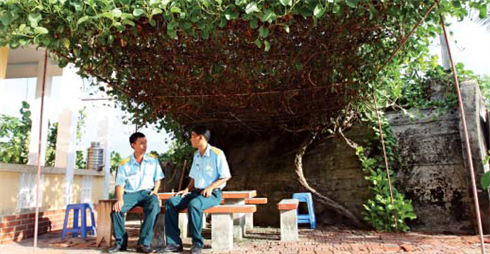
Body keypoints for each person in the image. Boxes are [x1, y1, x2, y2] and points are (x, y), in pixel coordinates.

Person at [163, 126, 231, 254]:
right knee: (171, 202)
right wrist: (186, 189)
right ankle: (174, 244)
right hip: (195, 192)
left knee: (194, 205)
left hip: (213, 193)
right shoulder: (196, 155)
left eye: (192, 135)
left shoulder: (217, 154)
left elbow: (226, 176)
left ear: (201, 137)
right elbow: (194, 177)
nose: (190, 139)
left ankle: (197, 244)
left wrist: (211, 187)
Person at [109, 132, 164, 254]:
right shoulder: (125, 164)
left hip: (148, 193)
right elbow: (119, 184)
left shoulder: (153, 161)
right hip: (131, 194)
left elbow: (158, 179)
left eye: (146, 142)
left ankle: (143, 244)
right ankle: (120, 243)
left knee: (155, 206)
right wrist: (119, 199)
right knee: (116, 210)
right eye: (141, 143)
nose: (145, 145)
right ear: (133, 145)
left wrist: (155, 191)